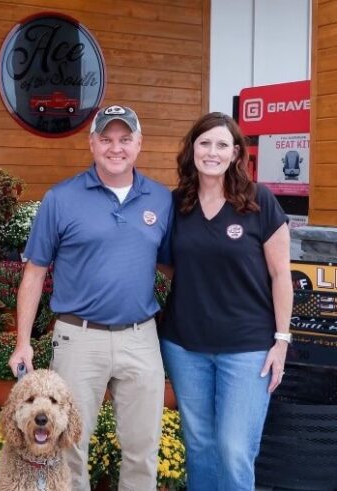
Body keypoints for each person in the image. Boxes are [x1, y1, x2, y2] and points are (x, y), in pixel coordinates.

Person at [8, 105, 174, 491]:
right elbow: (34, 273)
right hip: (78, 338)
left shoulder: (160, 199)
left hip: (140, 338)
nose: (116, 148)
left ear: (139, 144)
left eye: (125, 139)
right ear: (92, 143)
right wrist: (22, 342)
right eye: (106, 139)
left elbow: (172, 266)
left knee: (143, 449)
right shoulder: (61, 198)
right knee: (68, 447)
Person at [159, 112, 292, 491]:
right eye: (204, 143)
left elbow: (281, 275)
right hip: (185, 345)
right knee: (199, 447)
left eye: (222, 145)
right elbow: (167, 265)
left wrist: (282, 341)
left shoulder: (259, 200)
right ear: (192, 150)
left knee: (234, 449)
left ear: (235, 153)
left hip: (247, 347)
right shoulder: (177, 204)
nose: (212, 152)